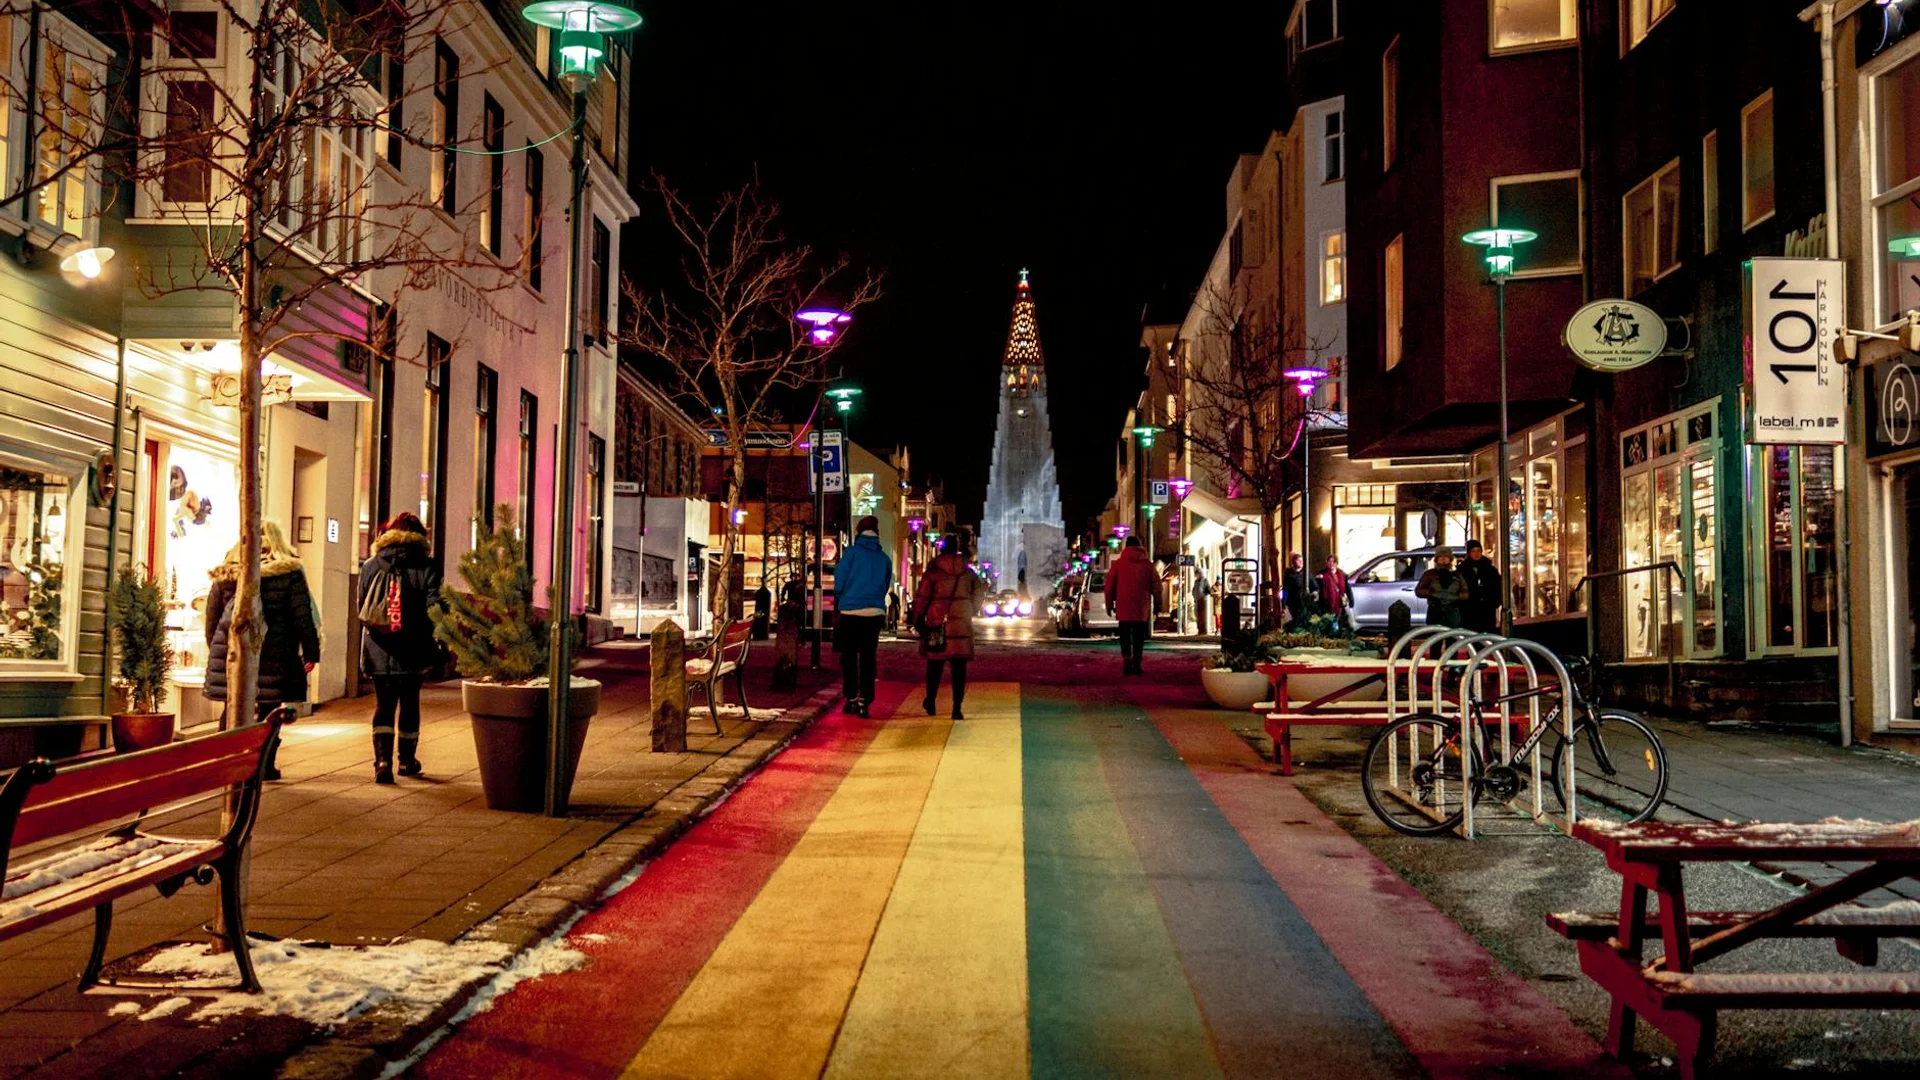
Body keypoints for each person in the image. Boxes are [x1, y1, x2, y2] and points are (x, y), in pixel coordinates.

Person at [204, 520, 320, 782]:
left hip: (234, 650)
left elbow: (212, 616)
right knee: (270, 709)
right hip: (276, 652)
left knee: (232, 706)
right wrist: (311, 652)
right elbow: (302, 617)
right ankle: (263, 766)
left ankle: (228, 764)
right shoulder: (289, 573)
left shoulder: (229, 572)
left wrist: (217, 649)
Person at [358, 513, 442, 784]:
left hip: (379, 646)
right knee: (409, 703)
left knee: (383, 704)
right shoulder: (427, 565)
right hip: (414, 647)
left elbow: (362, 606)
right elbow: (435, 608)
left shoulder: (371, 565)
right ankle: (406, 761)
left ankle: (382, 762)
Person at [911, 531, 984, 719]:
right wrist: (970, 609)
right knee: (959, 670)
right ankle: (956, 708)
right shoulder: (967, 572)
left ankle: (931, 701)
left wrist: (918, 618)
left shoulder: (934, 571)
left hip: (938, 625)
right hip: (961, 626)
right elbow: (979, 592)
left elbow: (923, 597)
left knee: (934, 667)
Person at [833, 515, 892, 719]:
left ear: (859, 531)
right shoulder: (884, 558)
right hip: (874, 612)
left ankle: (850, 696)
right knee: (868, 656)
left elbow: (839, 580)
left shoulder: (851, 554)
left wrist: (843, 597)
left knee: (849, 655)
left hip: (850, 611)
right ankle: (865, 700)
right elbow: (884, 585)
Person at [1106, 537, 1158, 675]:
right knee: (1138, 637)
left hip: (1123, 607)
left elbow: (1109, 586)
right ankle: (1137, 663)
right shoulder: (1147, 565)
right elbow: (1156, 585)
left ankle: (1127, 661)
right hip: (1141, 607)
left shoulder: (1118, 564)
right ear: (1140, 547)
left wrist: (1109, 604)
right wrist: (1158, 604)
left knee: (1125, 635)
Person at [1415, 547, 1472, 629]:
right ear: (1436, 559)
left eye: (1446, 556)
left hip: (1452, 610)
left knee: (1453, 634)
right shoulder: (1429, 574)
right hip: (1435, 610)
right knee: (1435, 634)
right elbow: (1418, 591)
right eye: (1441, 556)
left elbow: (1465, 593)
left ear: (1450, 559)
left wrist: (1456, 597)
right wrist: (1430, 593)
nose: (1443, 559)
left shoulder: (1457, 575)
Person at [1459, 539, 1503, 633]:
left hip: (1487, 608)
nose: (1476, 554)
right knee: (1472, 634)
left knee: (1487, 633)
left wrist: (1495, 601)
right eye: (1473, 551)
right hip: (1469, 609)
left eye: (1478, 550)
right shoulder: (1462, 569)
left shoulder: (1490, 569)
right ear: (1469, 553)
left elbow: (1498, 585)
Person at [1316, 555, 1354, 624]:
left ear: (1336, 563)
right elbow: (1316, 587)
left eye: (1333, 562)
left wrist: (1351, 599)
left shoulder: (1342, 574)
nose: (1331, 563)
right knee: (1330, 624)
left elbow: (1347, 587)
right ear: (1327, 562)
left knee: (1339, 623)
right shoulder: (1322, 574)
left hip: (1339, 605)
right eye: (1329, 561)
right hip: (1327, 605)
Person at [1282, 552, 1312, 625]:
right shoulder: (1289, 575)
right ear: (1294, 562)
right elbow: (1285, 589)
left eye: (1302, 560)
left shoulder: (1306, 573)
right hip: (1293, 603)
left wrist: (1314, 593)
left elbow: (1314, 585)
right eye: (1299, 560)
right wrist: (1284, 603)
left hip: (1304, 602)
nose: (1301, 562)